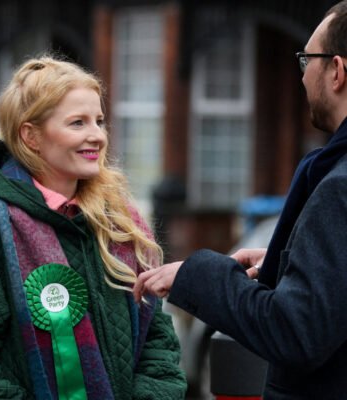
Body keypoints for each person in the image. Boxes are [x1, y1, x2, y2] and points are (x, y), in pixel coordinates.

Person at [0, 55, 186, 399]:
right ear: (31, 136)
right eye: (77, 123)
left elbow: (159, 345)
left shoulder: (121, 226)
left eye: (99, 121)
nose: (97, 136)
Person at [133, 1, 347, 399]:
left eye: (307, 60)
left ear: (337, 70)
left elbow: (296, 332)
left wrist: (198, 276)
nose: (303, 76)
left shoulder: (339, 187)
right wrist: (290, 261)